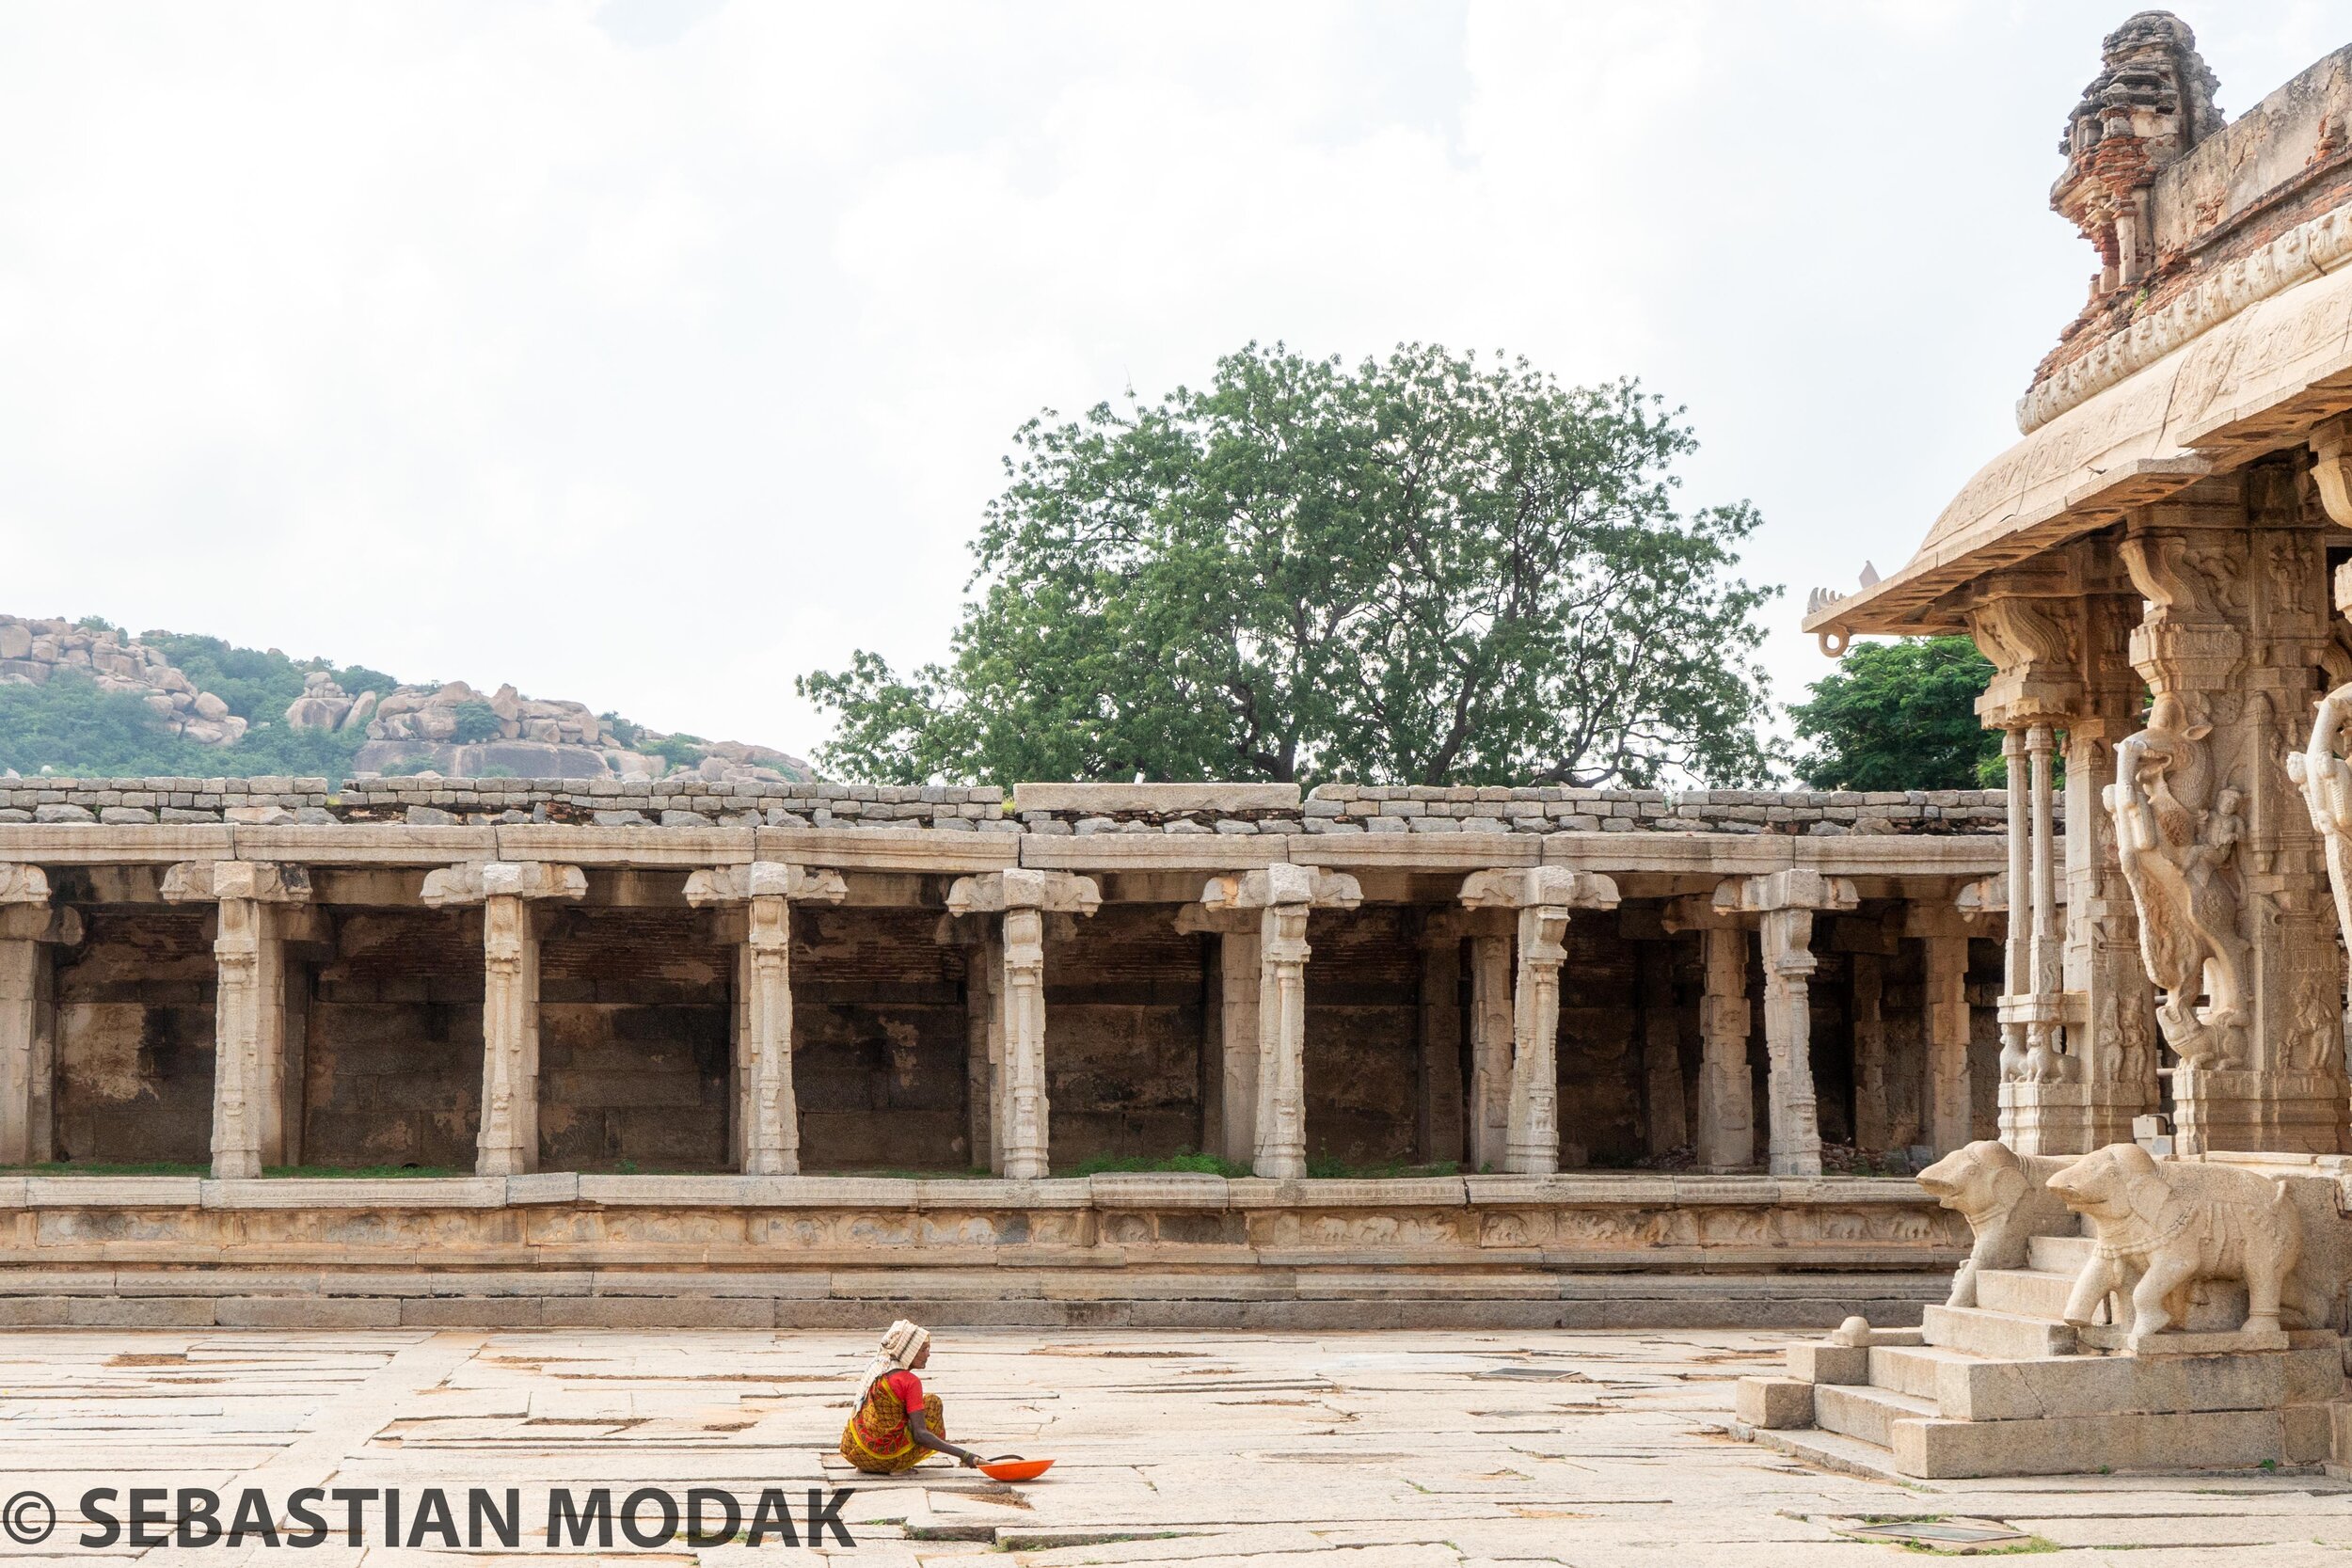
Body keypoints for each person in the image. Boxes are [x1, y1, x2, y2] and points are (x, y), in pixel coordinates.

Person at [839, 1320, 982, 1474]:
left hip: (856, 1452)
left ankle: (871, 1462)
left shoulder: (876, 1369)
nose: (928, 1354)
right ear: (908, 1352)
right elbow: (920, 1435)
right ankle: (898, 1466)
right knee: (932, 1403)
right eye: (923, 1350)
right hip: (883, 1460)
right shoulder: (909, 1381)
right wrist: (966, 1456)